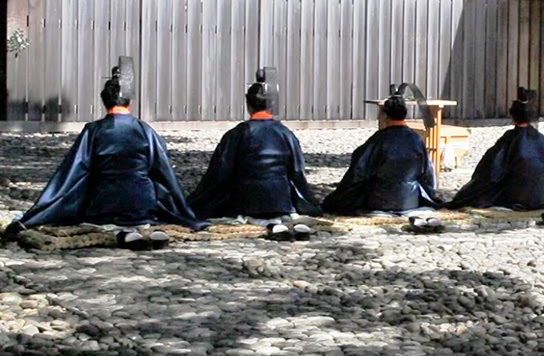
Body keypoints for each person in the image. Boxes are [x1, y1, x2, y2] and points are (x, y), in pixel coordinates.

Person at [4, 62, 207, 240]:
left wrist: (48, 206)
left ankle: (120, 231)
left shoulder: (94, 130)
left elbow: (73, 172)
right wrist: (180, 208)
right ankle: (140, 227)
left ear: (104, 101)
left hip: (103, 206)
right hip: (142, 206)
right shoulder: (145, 130)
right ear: (130, 102)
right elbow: (163, 172)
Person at [187, 73, 321, 219]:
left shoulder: (237, 134)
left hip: (245, 202)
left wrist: (197, 199)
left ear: (248, 105)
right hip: (281, 201)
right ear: (272, 105)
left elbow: (220, 171)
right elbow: (297, 171)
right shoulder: (286, 133)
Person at [446, 89, 544, 210]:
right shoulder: (541, 139)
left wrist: (475, 185)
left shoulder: (510, 138)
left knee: (486, 189)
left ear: (512, 116)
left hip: (516, 195)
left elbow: (492, 169)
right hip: (539, 196)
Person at [321, 91, 442, 215]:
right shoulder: (416, 139)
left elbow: (358, 171)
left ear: (384, 115)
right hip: (411, 199)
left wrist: (339, 195)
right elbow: (428, 172)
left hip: (380, 200)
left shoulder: (379, 140)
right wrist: (430, 194)